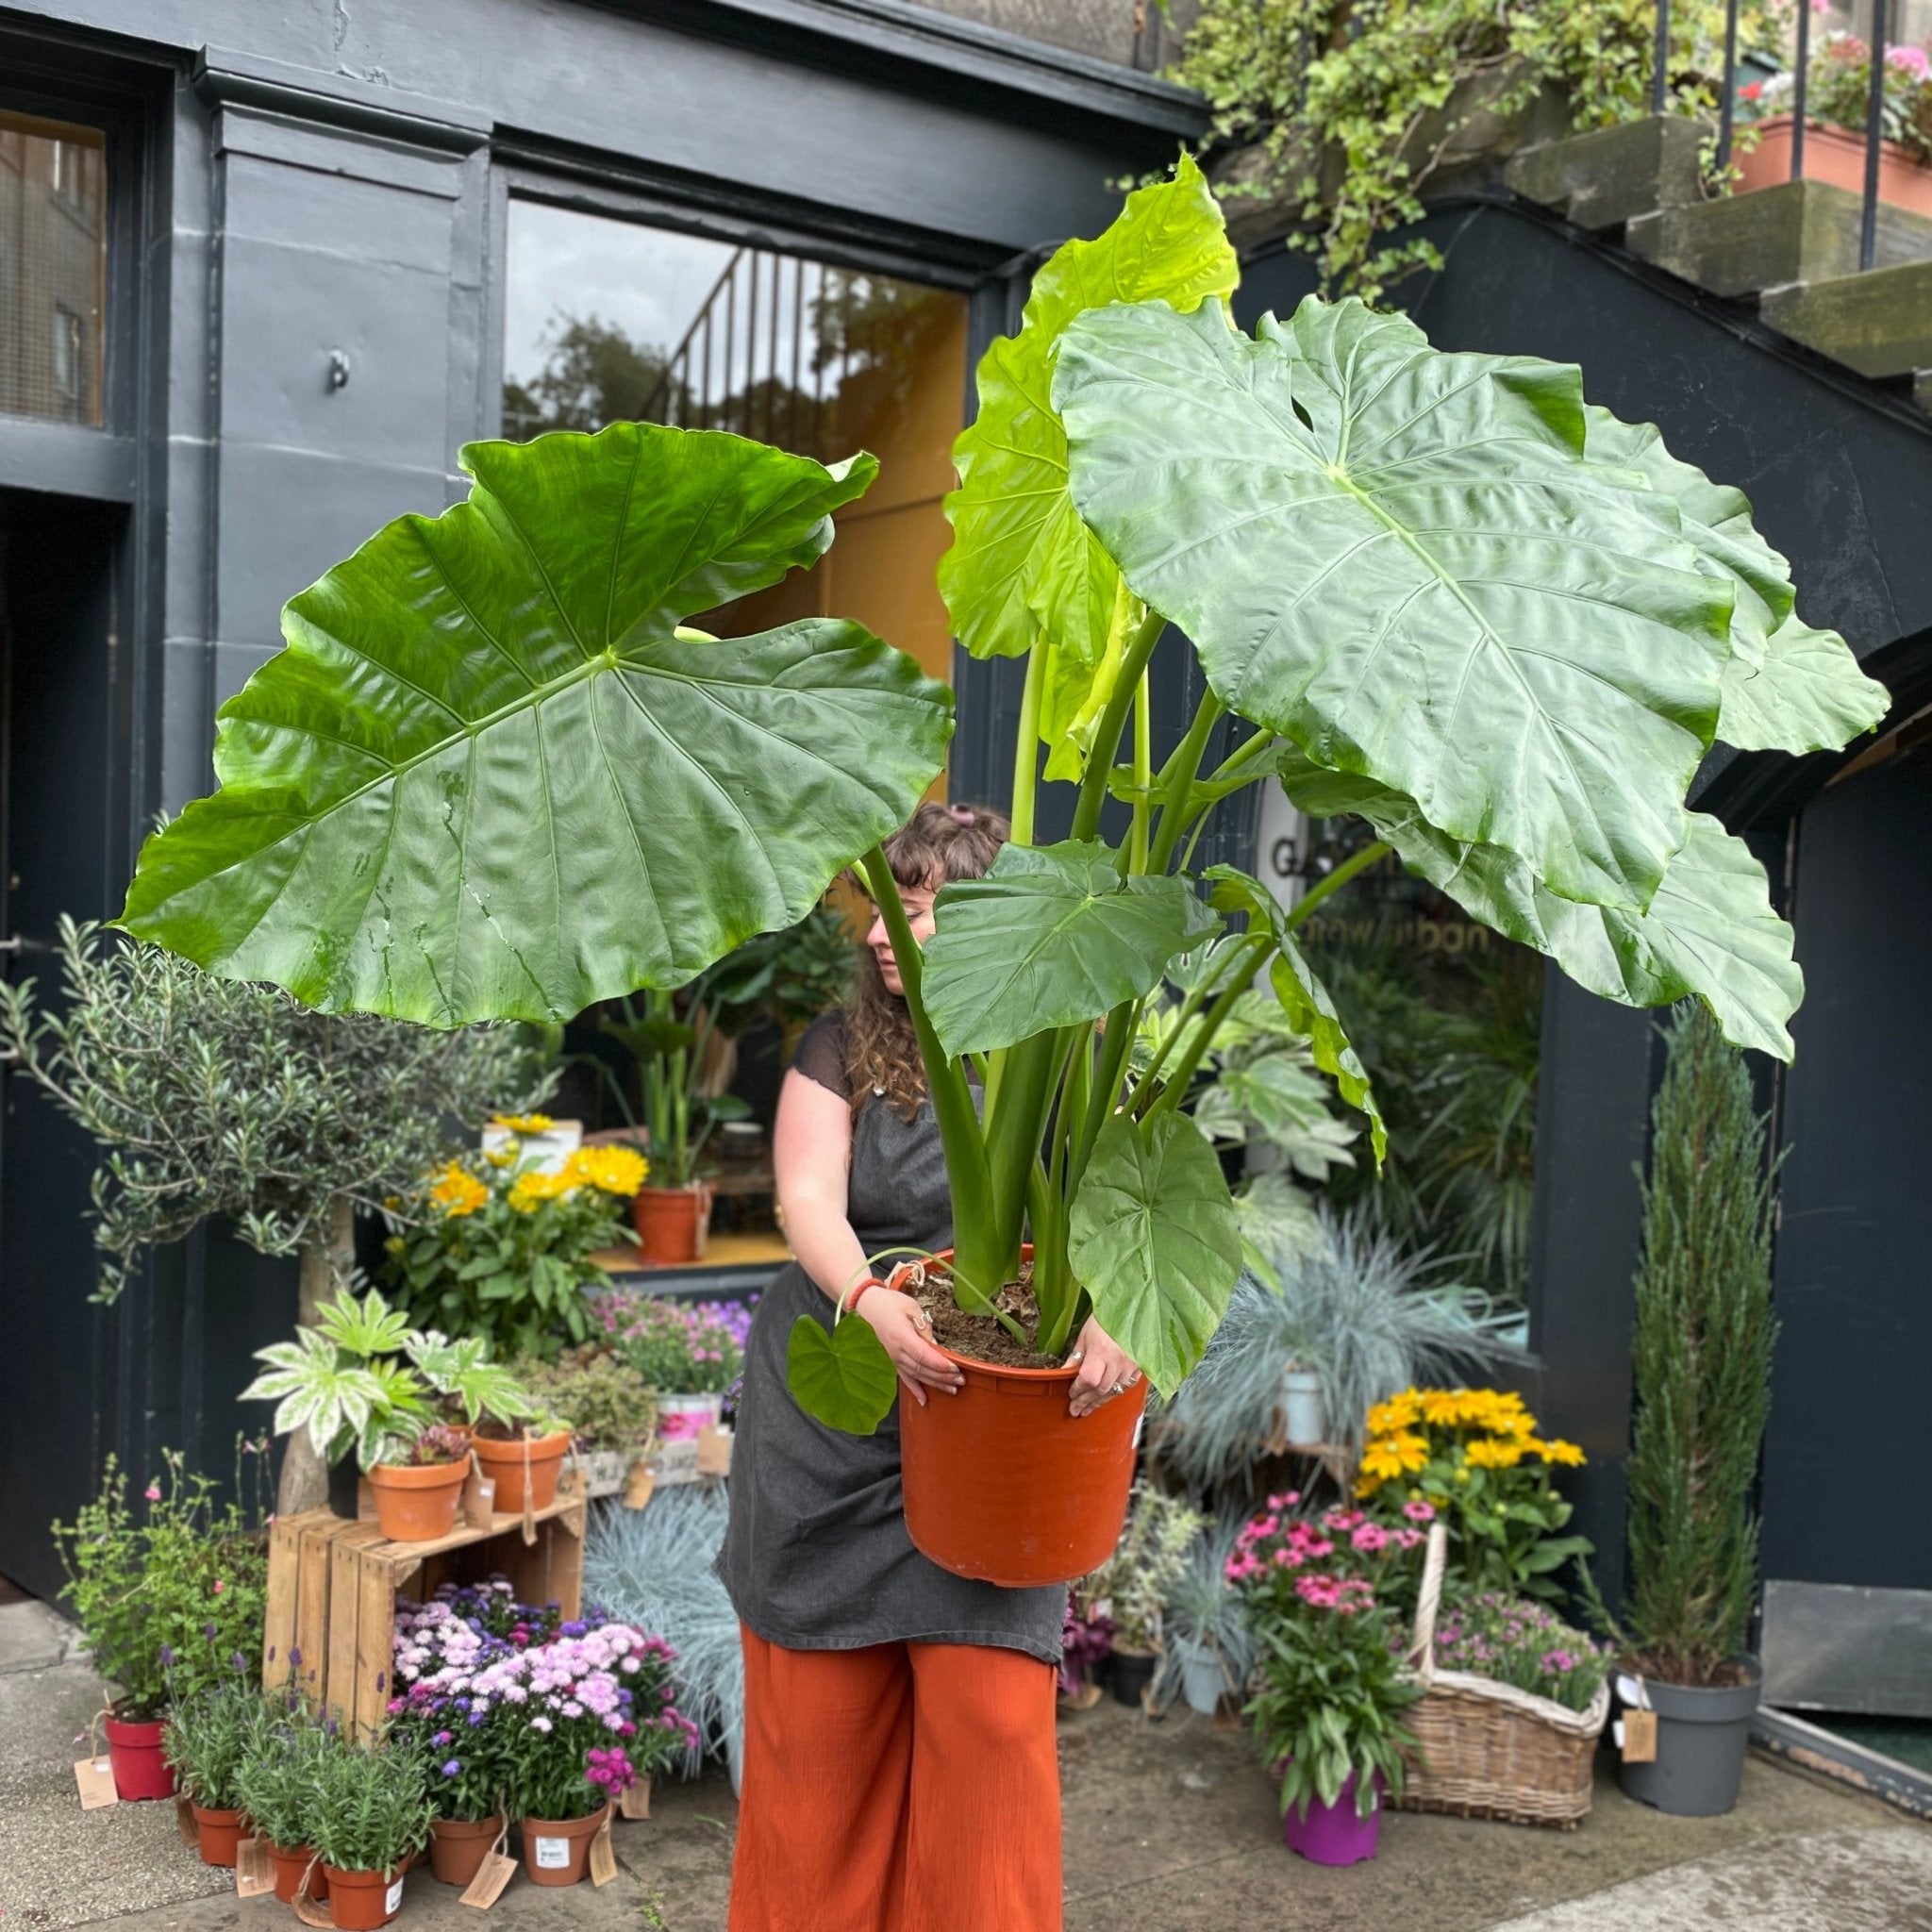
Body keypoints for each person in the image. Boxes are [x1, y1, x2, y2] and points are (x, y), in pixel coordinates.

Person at [718, 801, 1143, 1932]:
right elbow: (807, 1196)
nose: (876, 935)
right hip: (836, 1427)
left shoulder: (1064, 1049)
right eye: (878, 908)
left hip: (992, 1436)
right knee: (818, 1748)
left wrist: (1118, 1314)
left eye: (912, 911)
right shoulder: (839, 1044)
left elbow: (1129, 1216)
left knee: (992, 1732)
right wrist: (866, 1297)